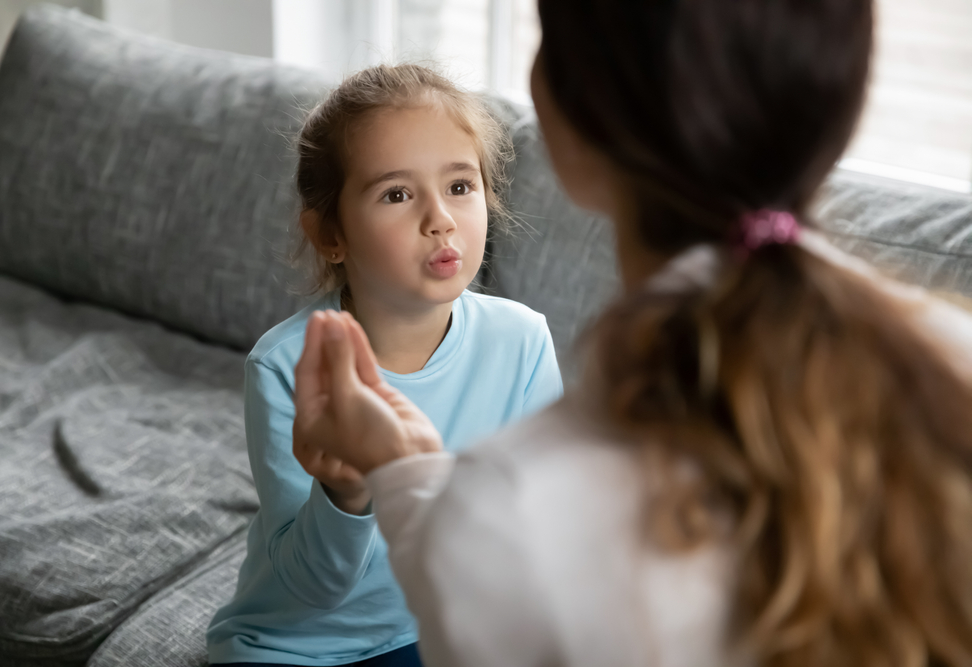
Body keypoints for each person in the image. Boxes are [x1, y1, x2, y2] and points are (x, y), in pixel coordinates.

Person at [293, 1, 972, 666]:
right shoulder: (952, 362)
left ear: (568, 123)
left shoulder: (510, 513)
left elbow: (484, 588)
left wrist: (404, 478)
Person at [206, 64, 563, 667]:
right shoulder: (286, 366)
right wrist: (347, 494)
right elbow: (314, 589)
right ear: (330, 235)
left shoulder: (523, 341)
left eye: (459, 186)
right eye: (397, 194)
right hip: (300, 647)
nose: (440, 219)